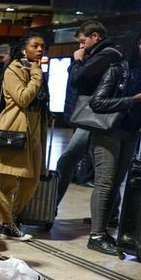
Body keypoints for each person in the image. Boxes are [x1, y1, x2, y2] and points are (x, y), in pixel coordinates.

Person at [87, 28, 141, 255]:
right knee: (105, 183)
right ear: (133, 44)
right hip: (108, 132)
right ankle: (96, 236)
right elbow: (97, 102)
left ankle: (103, 231)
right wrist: (132, 100)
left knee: (116, 183)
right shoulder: (117, 69)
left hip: (130, 133)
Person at [55, 21, 122, 209]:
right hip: (93, 117)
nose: (81, 46)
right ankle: (112, 211)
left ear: (95, 36)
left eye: (83, 41)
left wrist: (77, 60)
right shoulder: (101, 55)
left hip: (94, 118)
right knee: (96, 169)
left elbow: (77, 78)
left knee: (69, 162)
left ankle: (50, 206)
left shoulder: (106, 55)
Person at [0, 32, 49, 241]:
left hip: (35, 128)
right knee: (8, 181)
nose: (40, 49)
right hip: (15, 127)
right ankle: (7, 224)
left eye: (42, 46)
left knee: (32, 180)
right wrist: (36, 76)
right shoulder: (13, 69)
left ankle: (12, 216)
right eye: (35, 45)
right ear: (24, 48)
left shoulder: (36, 69)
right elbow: (22, 98)